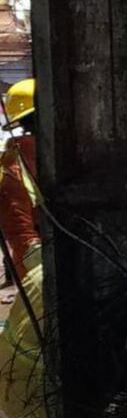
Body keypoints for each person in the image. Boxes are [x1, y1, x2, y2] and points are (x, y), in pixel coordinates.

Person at [0, 78, 39, 281]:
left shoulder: (14, 160)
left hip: (32, 263)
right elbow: (21, 234)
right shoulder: (18, 162)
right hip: (38, 264)